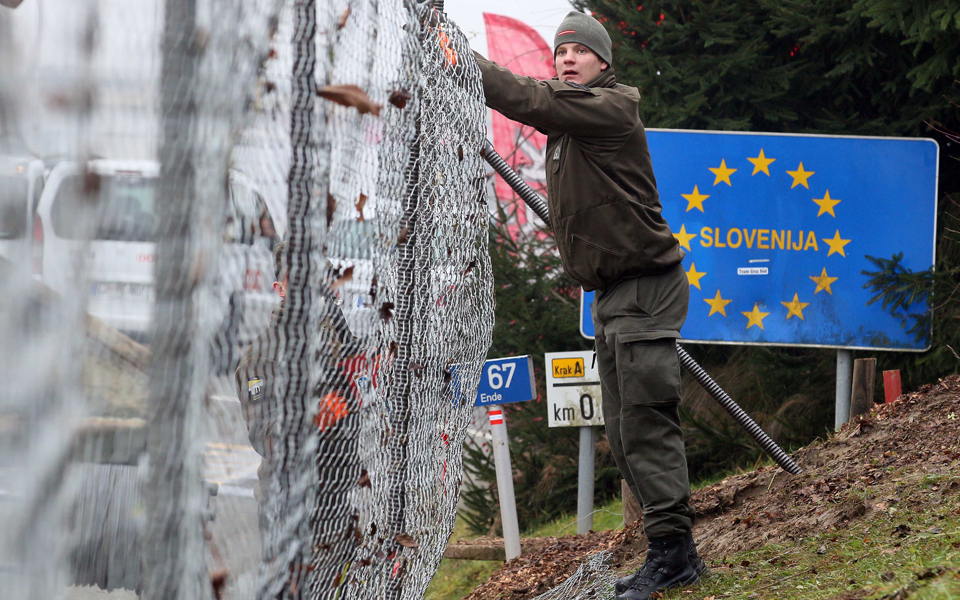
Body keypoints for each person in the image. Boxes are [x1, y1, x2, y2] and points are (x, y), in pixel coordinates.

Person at [474, 11, 705, 600]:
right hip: (610, 295)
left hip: (645, 286)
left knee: (648, 426)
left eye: (580, 51)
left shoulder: (611, 108)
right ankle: (673, 552)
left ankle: (672, 558)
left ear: (604, 62)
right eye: (560, 52)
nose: (567, 59)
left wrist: (461, 66)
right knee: (627, 435)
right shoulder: (568, 131)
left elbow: (531, 99)